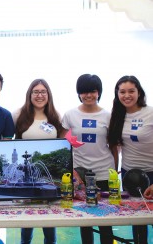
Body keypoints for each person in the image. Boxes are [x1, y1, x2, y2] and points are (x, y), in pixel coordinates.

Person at [61, 74, 114, 244]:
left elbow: (114, 146)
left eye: (92, 91)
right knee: (84, 219)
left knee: (106, 218)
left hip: (104, 172)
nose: (88, 95)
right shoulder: (70, 115)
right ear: (79, 93)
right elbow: (65, 143)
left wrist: (115, 170)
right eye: (83, 92)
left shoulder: (108, 115)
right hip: (80, 173)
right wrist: (72, 172)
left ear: (99, 92)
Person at [12, 78, 62, 244]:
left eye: (43, 91)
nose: (39, 95)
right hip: (26, 178)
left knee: (49, 225)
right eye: (36, 92)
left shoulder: (55, 116)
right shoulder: (18, 115)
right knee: (26, 225)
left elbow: (63, 142)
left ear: (48, 94)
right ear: (30, 94)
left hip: (45, 177)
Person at [107, 75, 153, 244]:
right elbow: (116, 146)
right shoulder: (118, 115)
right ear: (117, 94)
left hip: (151, 173)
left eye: (131, 91)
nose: (127, 95)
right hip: (129, 174)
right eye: (122, 92)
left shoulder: (150, 113)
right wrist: (115, 170)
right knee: (137, 221)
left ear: (139, 92)